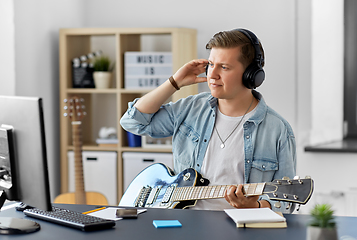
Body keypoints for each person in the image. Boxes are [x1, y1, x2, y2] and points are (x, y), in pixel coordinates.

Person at [120, 28, 296, 213]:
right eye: (211, 64)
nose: (212, 75)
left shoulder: (278, 130)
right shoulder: (190, 109)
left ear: (251, 75)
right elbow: (133, 122)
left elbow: (285, 201)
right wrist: (175, 82)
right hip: (184, 225)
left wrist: (256, 206)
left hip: (239, 229)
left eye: (224, 67)